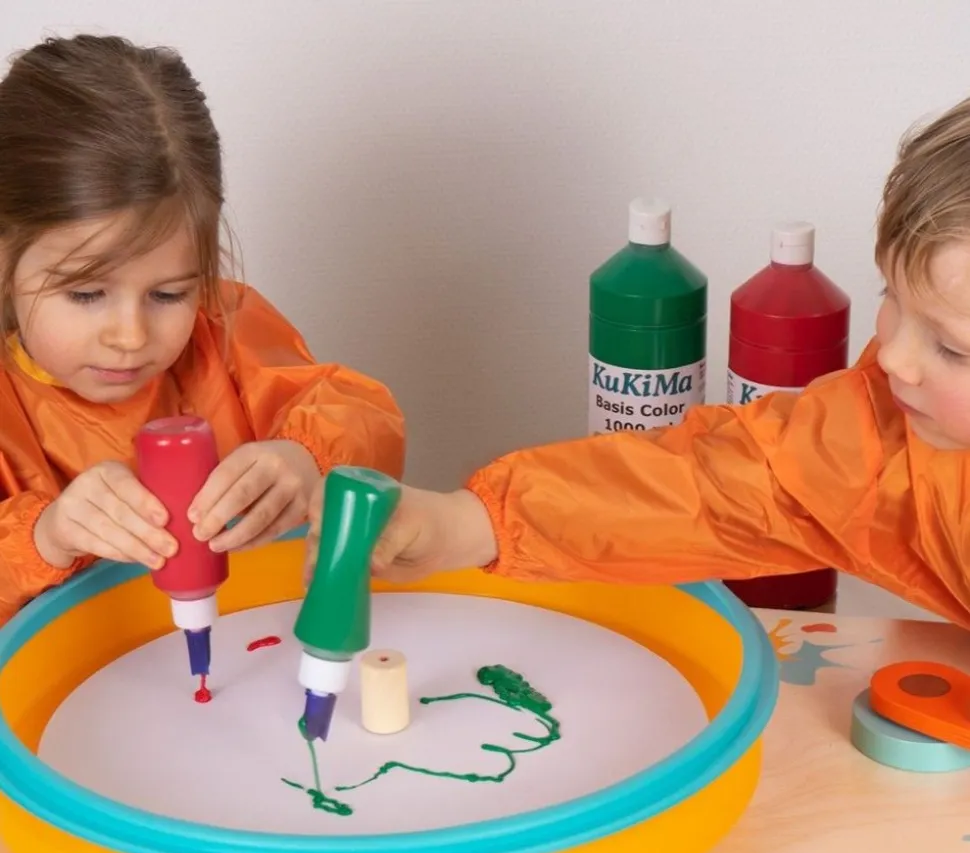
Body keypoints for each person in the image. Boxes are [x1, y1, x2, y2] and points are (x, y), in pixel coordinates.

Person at [305, 93, 970, 629]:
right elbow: (713, 488)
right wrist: (467, 524)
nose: (894, 357)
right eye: (891, 297)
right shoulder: (880, 437)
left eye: (952, 347)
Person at [0, 34, 405, 625]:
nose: (131, 336)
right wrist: (46, 537)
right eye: (85, 293)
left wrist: (306, 460)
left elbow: (368, 422)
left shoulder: (225, 331)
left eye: (169, 294)